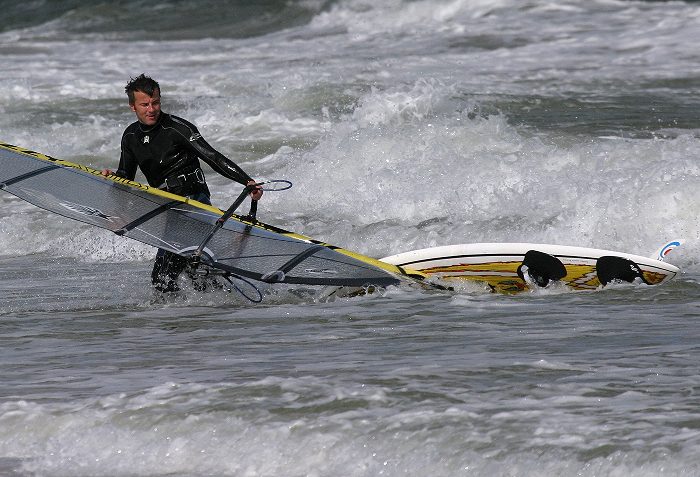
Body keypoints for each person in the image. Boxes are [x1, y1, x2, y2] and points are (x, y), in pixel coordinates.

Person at [103, 74, 262, 292]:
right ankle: (210, 311)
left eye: (156, 102)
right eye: (145, 104)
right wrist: (113, 182)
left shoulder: (177, 128)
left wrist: (246, 181)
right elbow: (125, 176)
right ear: (133, 106)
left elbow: (213, 157)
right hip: (168, 207)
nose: (151, 109)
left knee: (163, 276)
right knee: (189, 274)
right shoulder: (130, 136)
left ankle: (177, 318)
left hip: (194, 202)